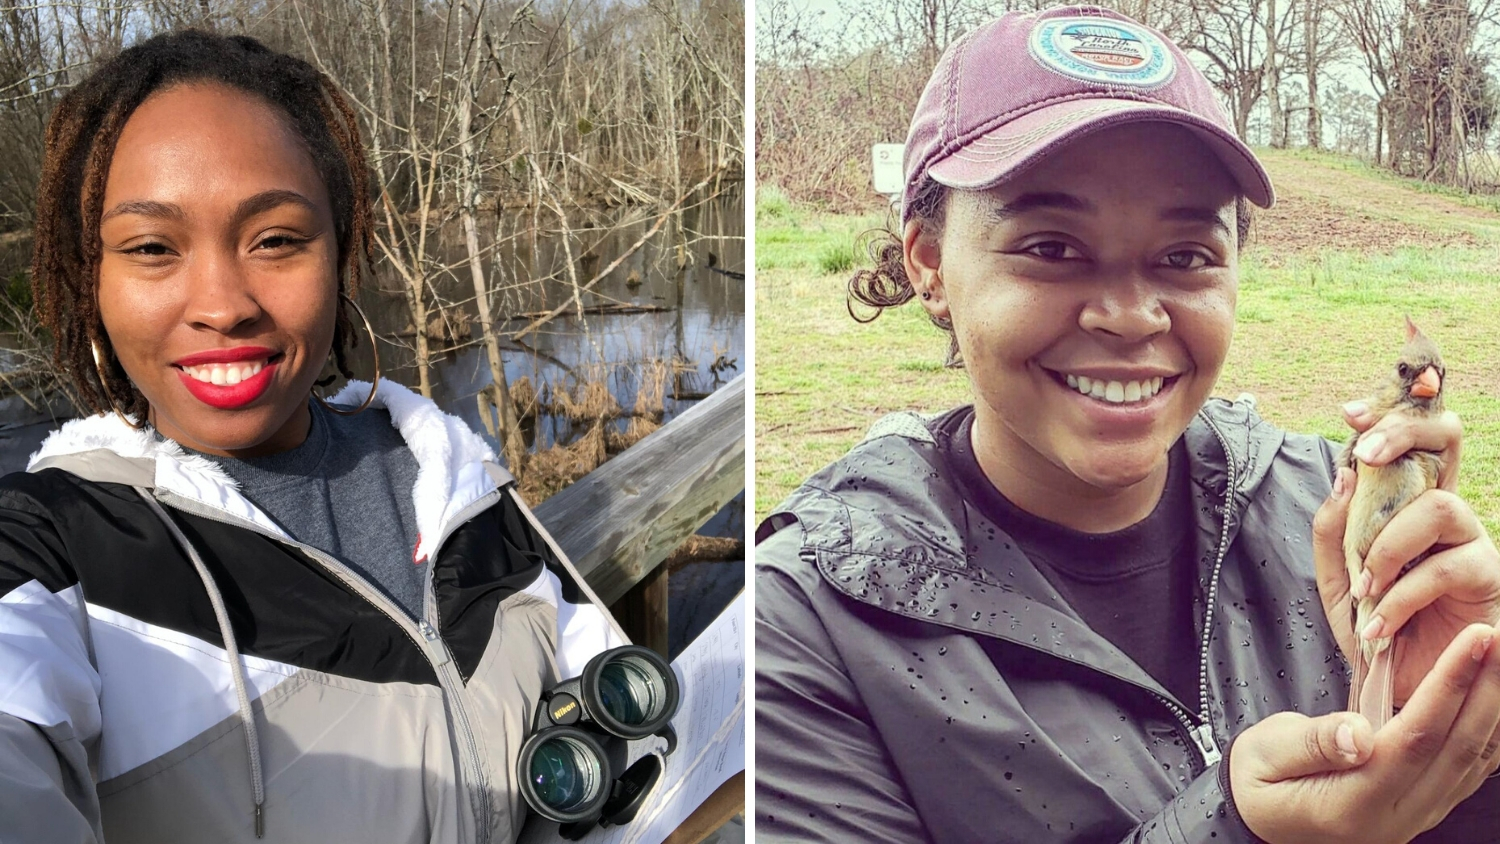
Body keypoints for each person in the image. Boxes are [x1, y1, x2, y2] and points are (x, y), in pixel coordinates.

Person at [754, 6, 1500, 842]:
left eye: (1184, 257)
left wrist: (1465, 728)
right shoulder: (808, 628)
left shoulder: (1330, 514)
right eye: (1051, 247)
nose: (1130, 315)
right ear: (930, 262)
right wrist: (1237, 829)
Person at [0, 31, 625, 842]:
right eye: (153, 248)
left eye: (276, 240)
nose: (223, 304)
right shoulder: (58, 554)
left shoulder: (448, 474)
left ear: (342, 256)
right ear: (93, 286)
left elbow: (608, 718)